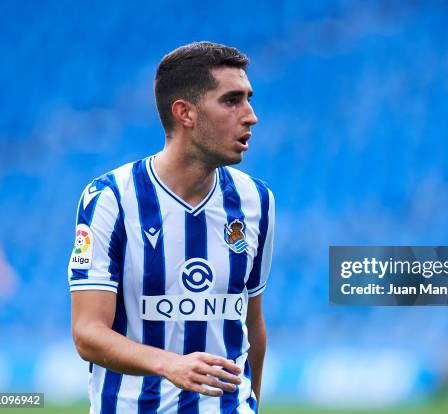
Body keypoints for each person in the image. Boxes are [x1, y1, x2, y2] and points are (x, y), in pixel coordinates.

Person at [68, 41, 274, 414]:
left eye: (249, 98)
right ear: (185, 113)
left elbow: (252, 323)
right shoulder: (111, 198)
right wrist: (170, 364)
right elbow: (88, 333)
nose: (251, 115)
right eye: (232, 100)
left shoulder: (256, 201)